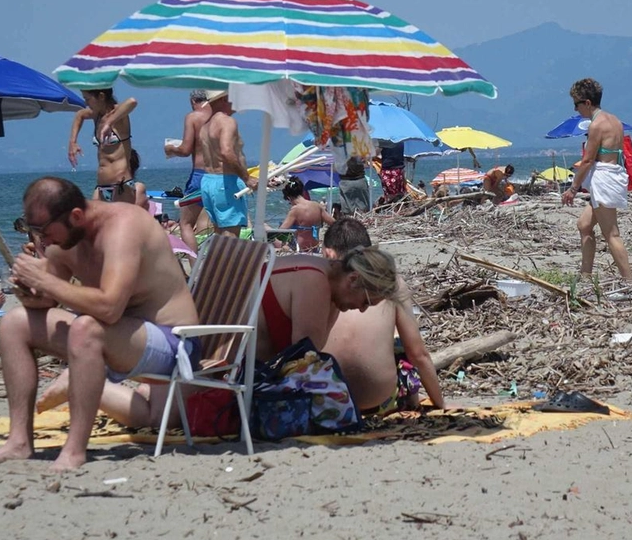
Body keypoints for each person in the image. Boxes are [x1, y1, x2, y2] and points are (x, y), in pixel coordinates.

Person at [36, 241, 402, 436]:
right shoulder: (316, 285)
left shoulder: (317, 274)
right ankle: (87, 381)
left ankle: (90, 380)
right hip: (212, 355)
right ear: (353, 280)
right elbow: (303, 362)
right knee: (152, 417)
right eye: (366, 300)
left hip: (215, 346)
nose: (364, 310)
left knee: (155, 398)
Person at [0, 177, 199, 472]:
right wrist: (30, 291)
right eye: (33, 230)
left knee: (88, 329)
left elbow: (109, 308)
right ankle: (19, 441)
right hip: (120, 337)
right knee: (14, 324)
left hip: (174, 342)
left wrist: (45, 280)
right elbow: (50, 299)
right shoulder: (62, 238)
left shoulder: (122, 228)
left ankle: (74, 451)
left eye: (44, 231)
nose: (41, 240)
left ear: (76, 216)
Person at [322, 219, 446, 415]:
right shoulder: (390, 282)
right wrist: (440, 406)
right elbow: (418, 354)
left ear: (327, 253)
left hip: (326, 404)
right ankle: (410, 401)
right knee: (401, 346)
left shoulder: (320, 279)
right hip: (378, 403)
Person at [561, 78, 632, 283]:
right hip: (613, 173)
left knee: (612, 234)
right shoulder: (615, 120)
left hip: (604, 178)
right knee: (584, 225)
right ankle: (585, 276)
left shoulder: (597, 125)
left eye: (576, 104)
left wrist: (573, 189)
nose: (576, 110)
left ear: (587, 103)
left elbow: (587, 160)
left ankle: (630, 282)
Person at [197, 92, 257, 236]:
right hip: (225, 182)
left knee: (219, 234)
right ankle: (228, 259)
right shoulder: (226, 121)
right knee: (231, 236)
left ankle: (218, 259)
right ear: (224, 99)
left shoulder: (205, 126)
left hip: (209, 181)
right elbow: (226, 151)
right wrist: (247, 178)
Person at [164, 90, 215, 251]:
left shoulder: (193, 117)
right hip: (219, 175)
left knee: (185, 224)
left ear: (193, 101)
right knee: (220, 226)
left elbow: (185, 150)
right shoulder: (219, 116)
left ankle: (195, 270)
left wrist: (171, 149)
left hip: (200, 175)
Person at [68, 88, 137, 202]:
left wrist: (109, 122)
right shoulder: (96, 116)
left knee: (119, 219)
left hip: (120, 184)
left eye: (88, 99)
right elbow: (79, 115)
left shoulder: (119, 116)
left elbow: (132, 101)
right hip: (101, 186)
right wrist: (73, 142)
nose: (86, 103)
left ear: (101, 96)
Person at [279, 177, 335, 252]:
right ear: (302, 192)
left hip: (300, 249)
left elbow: (280, 233)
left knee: (266, 229)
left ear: (289, 197)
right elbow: (334, 223)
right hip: (315, 248)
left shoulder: (295, 210)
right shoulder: (317, 206)